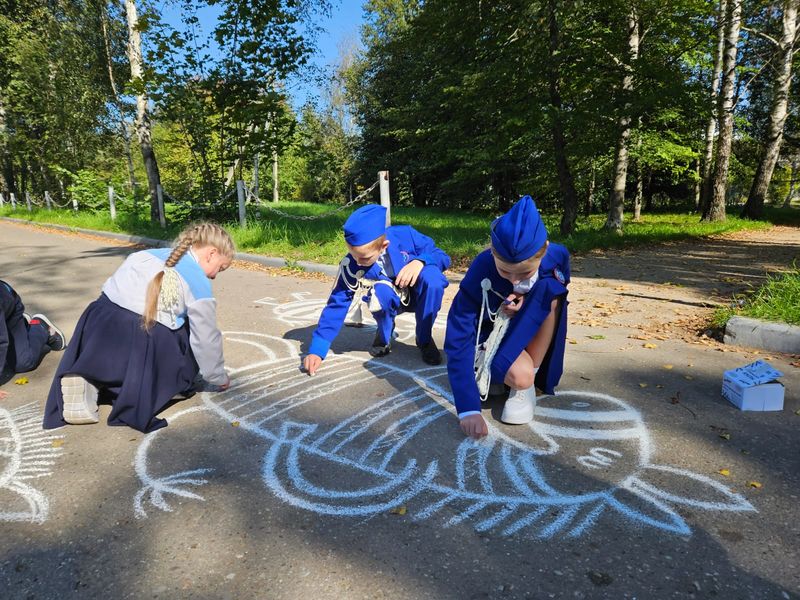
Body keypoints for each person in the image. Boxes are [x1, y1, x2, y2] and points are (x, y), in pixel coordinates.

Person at [43, 222, 234, 433]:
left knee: (134, 322)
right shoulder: (198, 282)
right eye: (220, 268)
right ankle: (158, 384)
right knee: (183, 332)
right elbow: (206, 339)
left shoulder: (146, 255)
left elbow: (110, 291)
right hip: (141, 339)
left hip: (97, 327)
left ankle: (89, 375)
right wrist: (217, 376)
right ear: (211, 253)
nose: (215, 275)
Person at [444, 195, 570, 439]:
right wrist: (468, 408)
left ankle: (528, 382)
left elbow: (560, 281)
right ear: (492, 252)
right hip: (488, 333)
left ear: (543, 252)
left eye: (524, 273)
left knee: (552, 294)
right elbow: (459, 333)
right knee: (511, 374)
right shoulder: (481, 269)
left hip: (522, 329)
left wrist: (528, 297)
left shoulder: (556, 255)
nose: (514, 280)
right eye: (505, 271)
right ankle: (499, 371)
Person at [303, 204, 450, 376]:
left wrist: (420, 261)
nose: (357, 262)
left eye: (364, 258)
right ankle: (384, 334)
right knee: (380, 293)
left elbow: (442, 256)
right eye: (353, 255)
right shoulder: (353, 263)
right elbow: (338, 301)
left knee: (433, 279)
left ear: (384, 246)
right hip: (388, 298)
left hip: (419, 296)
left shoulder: (406, 235)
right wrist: (318, 349)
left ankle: (424, 339)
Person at [0, 280, 66, 397]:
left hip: (10, 312)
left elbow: (2, 341)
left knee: (23, 363)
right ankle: (23, 327)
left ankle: (40, 327)